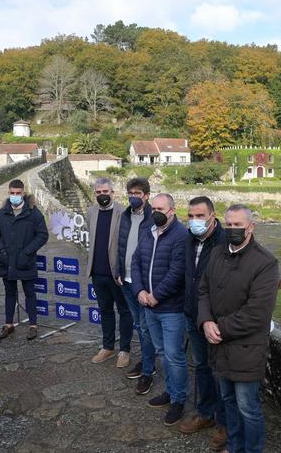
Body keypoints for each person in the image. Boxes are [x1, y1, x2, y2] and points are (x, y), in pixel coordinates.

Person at [198, 204, 279, 453]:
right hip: (219, 346)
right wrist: (205, 321)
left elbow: (257, 313)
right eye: (229, 224)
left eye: (238, 225)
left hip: (246, 348)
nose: (232, 229)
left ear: (250, 227)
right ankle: (234, 446)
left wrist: (218, 328)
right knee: (229, 402)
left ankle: (252, 450)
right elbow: (203, 291)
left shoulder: (266, 263)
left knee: (248, 407)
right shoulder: (217, 253)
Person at [132, 193, 187, 426]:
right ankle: (170, 392)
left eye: (160, 208)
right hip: (148, 305)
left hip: (171, 308)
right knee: (162, 353)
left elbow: (177, 272)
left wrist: (157, 295)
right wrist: (139, 291)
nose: (155, 211)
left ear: (172, 211)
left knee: (174, 356)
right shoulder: (148, 230)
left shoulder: (181, 235)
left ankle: (179, 400)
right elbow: (136, 263)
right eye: (153, 207)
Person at [178, 196, 228, 450]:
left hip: (217, 321)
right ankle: (205, 413)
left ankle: (225, 423)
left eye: (200, 216)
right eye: (190, 216)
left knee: (221, 372)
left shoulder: (225, 242)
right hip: (192, 315)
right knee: (201, 367)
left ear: (212, 215)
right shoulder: (189, 239)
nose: (195, 220)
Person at [0, 179, 49, 341]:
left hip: (26, 261)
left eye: (18, 193)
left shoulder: (33, 213)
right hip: (7, 260)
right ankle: (8, 324)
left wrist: (28, 251)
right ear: (8, 193)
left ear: (23, 193)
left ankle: (33, 325)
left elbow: (43, 235)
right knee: (9, 293)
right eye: (12, 193)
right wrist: (1, 249)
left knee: (30, 293)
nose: (15, 196)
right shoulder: (1, 213)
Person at [116, 177, 157, 394]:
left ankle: (148, 372)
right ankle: (146, 361)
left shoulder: (153, 217)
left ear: (146, 196)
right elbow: (120, 246)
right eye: (130, 193)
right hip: (126, 281)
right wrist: (118, 271)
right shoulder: (124, 216)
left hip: (144, 283)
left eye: (138, 193)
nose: (133, 197)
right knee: (140, 327)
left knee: (146, 328)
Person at [87, 178, 132, 367]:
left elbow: (127, 243)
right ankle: (107, 347)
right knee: (105, 310)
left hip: (117, 273)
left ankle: (125, 350)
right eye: (98, 192)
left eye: (105, 191)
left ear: (112, 192)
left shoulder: (123, 211)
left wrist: (122, 269)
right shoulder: (91, 211)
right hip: (97, 272)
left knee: (124, 310)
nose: (102, 195)